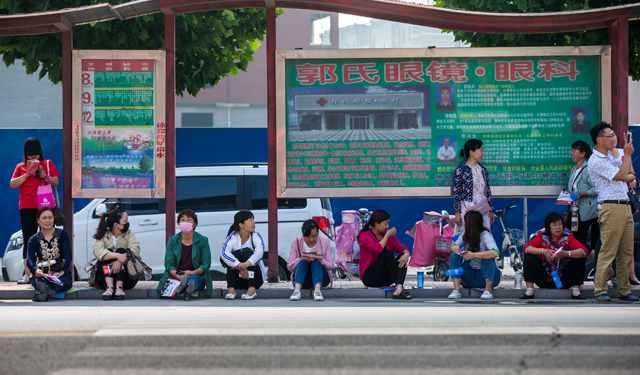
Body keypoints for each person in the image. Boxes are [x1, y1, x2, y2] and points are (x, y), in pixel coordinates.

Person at [587, 122, 639, 301]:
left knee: (626, 251)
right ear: (599, 139)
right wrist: (627, 165)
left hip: (625, 206)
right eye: (610, 135)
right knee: (608, 251)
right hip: (610, 206)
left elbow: (631, 174)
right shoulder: (596, 160)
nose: (614, 138)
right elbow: (625, 176)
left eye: (614, 134)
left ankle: (624, 290)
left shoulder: (613, 155)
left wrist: (626, 156)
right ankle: (600, 289)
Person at [10, 137, 60, 284]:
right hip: (26, 206)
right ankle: (28, 273)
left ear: (41, 152)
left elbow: (56, 182)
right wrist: (27, 174)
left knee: (48, 237)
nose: (34, 157)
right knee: (29, 239)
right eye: (31, 154)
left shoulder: (47, 164)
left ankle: (48, 271)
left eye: (36, 154)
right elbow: (13, 184)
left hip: (44, 205)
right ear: (25, 153)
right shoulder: (20, 167)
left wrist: (44, 175)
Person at [519, 212, 589, 300]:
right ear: (548, 227)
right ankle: (529, 291)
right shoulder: (542, 236)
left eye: (560, 224)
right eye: (554, 225)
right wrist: (543, 251)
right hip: (543, 278)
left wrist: (566, 254)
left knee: (579, 258)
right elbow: (526, 248)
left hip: (564, 279)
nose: (558, 227)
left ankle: (576, 291)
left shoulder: (568, 238)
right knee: (529, 256)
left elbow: (584, 251)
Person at [157, 209, 213, 300]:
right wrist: (177, 275)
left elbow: (206, 264)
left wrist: (193, 272)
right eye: (182, 220)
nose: (185, 222)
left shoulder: (203, 240)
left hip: (196, 274)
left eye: (189, 220)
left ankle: (186, 287)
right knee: (180, 281)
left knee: (194, 280)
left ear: (194, 224)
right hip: (177, 274)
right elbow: (169, 264)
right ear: (179, 223)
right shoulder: (172, 241)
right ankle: (186, 289)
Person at [357, 209, 412, 299]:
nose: (387, 227)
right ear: (376, 224)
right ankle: (400, 288)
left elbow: (401, 247)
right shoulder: (364, 235)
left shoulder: (388, 235)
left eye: (388, 223)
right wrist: (387, 236)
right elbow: (377, 248)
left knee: (402, 257)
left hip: (387, 278)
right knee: (388, 254)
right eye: (385, 224)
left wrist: (406, 254)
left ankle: (398, 287)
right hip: (370, 278)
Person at [448, 211, 501, 299]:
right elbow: (452, 246)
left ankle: (488, 291)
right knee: (454, 255)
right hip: (470, 278)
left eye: (465, 221)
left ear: (470, 223)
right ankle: (456, 290)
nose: (463, 223)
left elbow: (496, 252)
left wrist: (474, 255)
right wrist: (453, 247)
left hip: (488, 277)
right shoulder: (465, 234)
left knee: (488, 256)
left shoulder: (486, 235)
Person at [92, 209, 140, 300]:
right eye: (125, 221)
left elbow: (135, 249)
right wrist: (118, 256)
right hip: (103, 280)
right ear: (116, 225)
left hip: (128, 279)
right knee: (108, 252)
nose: (127, 223)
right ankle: (109, 287)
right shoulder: (103, 235)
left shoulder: (129, 234)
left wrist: (120, 262)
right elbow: (98, 251)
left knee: (121, 250)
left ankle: (119, 287)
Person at [26, 207, 72, 302]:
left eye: (50, 217)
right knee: (38, 281)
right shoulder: (33, 239)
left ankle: (45, 294)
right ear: (38, 221)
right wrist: (36, 270)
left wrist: (62, 271)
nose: (47, 220)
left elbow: (68, 255)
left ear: (53, 219)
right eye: (44, 218)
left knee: (63, 283)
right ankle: (46, 292)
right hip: (43, 274)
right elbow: (29, 260)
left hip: (60, 274)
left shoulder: (62, 234)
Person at [221, 210, 267, 300]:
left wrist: (246, 264)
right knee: (233, 255)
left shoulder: (256, 236)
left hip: (256, 279)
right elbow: (224, 254)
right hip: (238, 279)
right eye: (250, 220)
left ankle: (251, 289)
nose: (253, 223)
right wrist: (239, 266)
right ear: (241, 224)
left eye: (253, 220)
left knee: (247, 253)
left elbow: (259, 253)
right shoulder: (232, 237)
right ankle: (231, 289)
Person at [453, 139, 495, 230]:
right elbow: (457, 193)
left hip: (484, 208)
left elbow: (487, 191)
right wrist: (457, 213)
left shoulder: (483, 170)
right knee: (468, 236)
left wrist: (491, 210)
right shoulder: (461, 170)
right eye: (480, 150)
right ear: (471, 152)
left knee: (484, 235)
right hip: (468, 208)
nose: (482, 153)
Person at [288, 219, 334, 301]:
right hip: (303, 279)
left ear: (318, 233)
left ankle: (317, 291)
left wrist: (320, 260)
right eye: (308, 237)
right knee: (302, 262)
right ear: (303, 235)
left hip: (322, 278)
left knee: (316, 263)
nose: (311, 239)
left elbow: (330, 266)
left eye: (314, 236)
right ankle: (297, 291)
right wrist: (301, 259)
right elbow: (289, 267)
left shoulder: (325, 242)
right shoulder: (296, 242)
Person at [567, 140, 599, 257]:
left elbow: (597, 188)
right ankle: (593, 261)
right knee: (576, 241)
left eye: (574, 151)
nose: (571, 153)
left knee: (581, 241)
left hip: (590, 212)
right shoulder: (574, 169)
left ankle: (595, 263)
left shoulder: (588, 169)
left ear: (582, 154)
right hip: (576, 212)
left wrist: (582, 194)